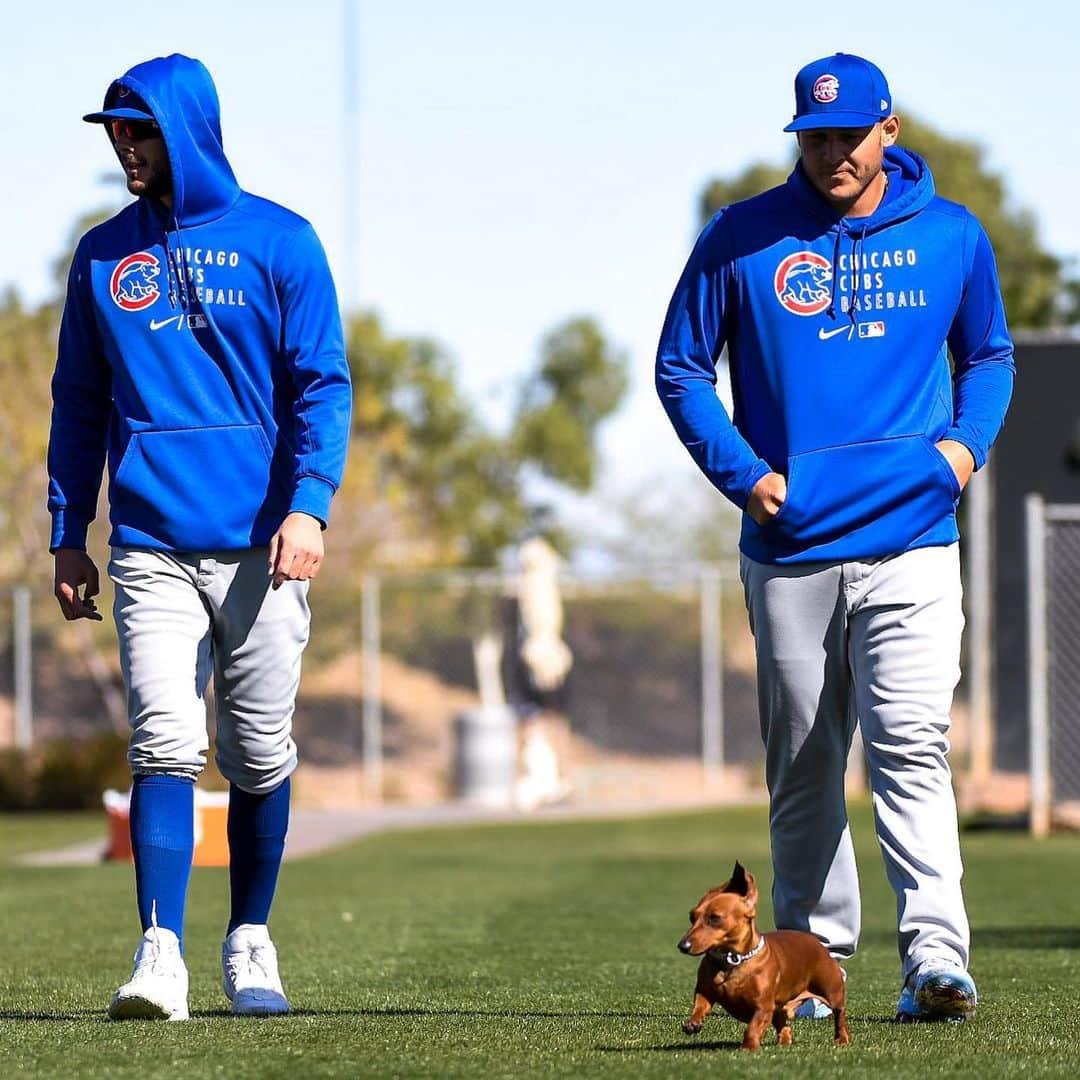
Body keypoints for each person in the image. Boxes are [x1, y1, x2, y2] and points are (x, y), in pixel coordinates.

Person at [656, 52, 1013, 1022]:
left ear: (887, 131)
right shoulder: (739, 238)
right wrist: (749, 475)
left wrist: (961, 454)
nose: (832, 154)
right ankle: (815, 970)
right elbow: (680, 368)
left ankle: (938, 964)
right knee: (805, 765)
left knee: (911, 746)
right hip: (791, 551)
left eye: (849, 135)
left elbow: (988, 354)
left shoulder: (951, 236)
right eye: (814, 137)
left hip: (914, 539)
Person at [47, 54, 352, 1021]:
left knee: (258, 754)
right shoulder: (102, 255)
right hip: (149, 542)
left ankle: (250, 940)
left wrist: (309, 505)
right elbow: (78, 402)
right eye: (113, 131)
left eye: (136, 129)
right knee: (166, 742)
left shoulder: (283, 242)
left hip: (265, 545)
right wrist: (69, 530)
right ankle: (160, 955)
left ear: (184, 129)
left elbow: (323, 387)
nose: (121, 146)